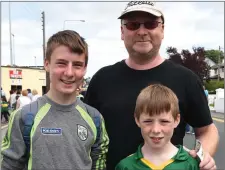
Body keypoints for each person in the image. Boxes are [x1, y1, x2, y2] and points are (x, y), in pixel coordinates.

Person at [84, 1, 218, 170]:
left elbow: (207, 130)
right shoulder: (102, 79)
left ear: (162, 30)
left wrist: (200, 158)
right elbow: (84, 134)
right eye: (133, 25)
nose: (142, 31)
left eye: (150, 24)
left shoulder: (186, 79)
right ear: (122, 32)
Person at [1, 30, 109, 170]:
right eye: (61, 63)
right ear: (47, 64)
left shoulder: (94, 118)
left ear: (84, 69)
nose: (69, 73)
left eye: (77, 65)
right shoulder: (23, 117)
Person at [116, 84, 200, 170]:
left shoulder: (191, 164)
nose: (156, 130)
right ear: (137, 120)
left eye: (164, 121)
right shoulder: (125, 166)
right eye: (148, 121)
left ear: (176, 120)